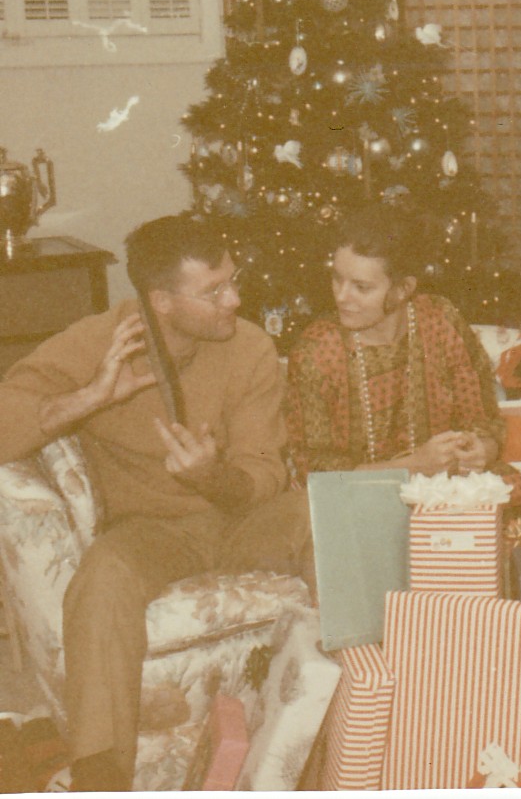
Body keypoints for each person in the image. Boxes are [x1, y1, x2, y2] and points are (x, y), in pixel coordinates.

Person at [0, 215, 313, 791]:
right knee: (101, 577)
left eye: (233, 280)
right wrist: (87, 398)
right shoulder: (99, 341)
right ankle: (100, 775)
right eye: (213, 291)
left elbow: (265, 473)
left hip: (244, 520)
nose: (234, 299)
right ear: (161, 300)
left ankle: (359, 713)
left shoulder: (249, 346)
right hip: (153, 534)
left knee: (323, 516)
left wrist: (213, 478)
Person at [285, 206, 505, 482]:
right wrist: (413, 466)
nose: (341, 296)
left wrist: (482, 451)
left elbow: (484, 420)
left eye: (361, 287)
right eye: (337, 279)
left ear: (403, 289)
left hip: (449, 488)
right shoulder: (316, 351)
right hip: (355, 499)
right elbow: (317, 473)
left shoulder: (440, 321)